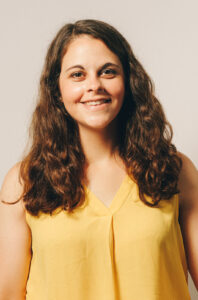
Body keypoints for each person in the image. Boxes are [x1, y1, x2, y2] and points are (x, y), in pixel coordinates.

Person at [0, 19, 197, 300]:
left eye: (107, 72)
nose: (94, 85)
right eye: (77, 75)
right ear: (57, 90)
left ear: (128, 81)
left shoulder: (174, 171)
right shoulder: (24, 182)